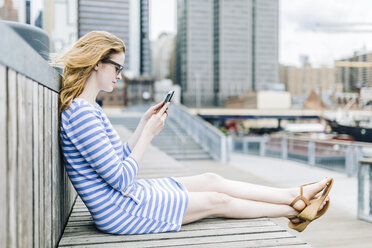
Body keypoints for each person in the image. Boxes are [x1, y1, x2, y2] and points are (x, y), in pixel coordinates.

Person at [58, 31, 333, 235]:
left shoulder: (88, 108)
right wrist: (148, 136)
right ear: (97, 62)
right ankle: (295, 209)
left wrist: (143, 124)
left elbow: (116, 160)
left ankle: (293, 194)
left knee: (210, 178)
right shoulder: (82, 113)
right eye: (117, 67)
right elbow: (120, 178)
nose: (120, 75)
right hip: (122, 210)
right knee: (217, 200)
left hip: (127, 197)